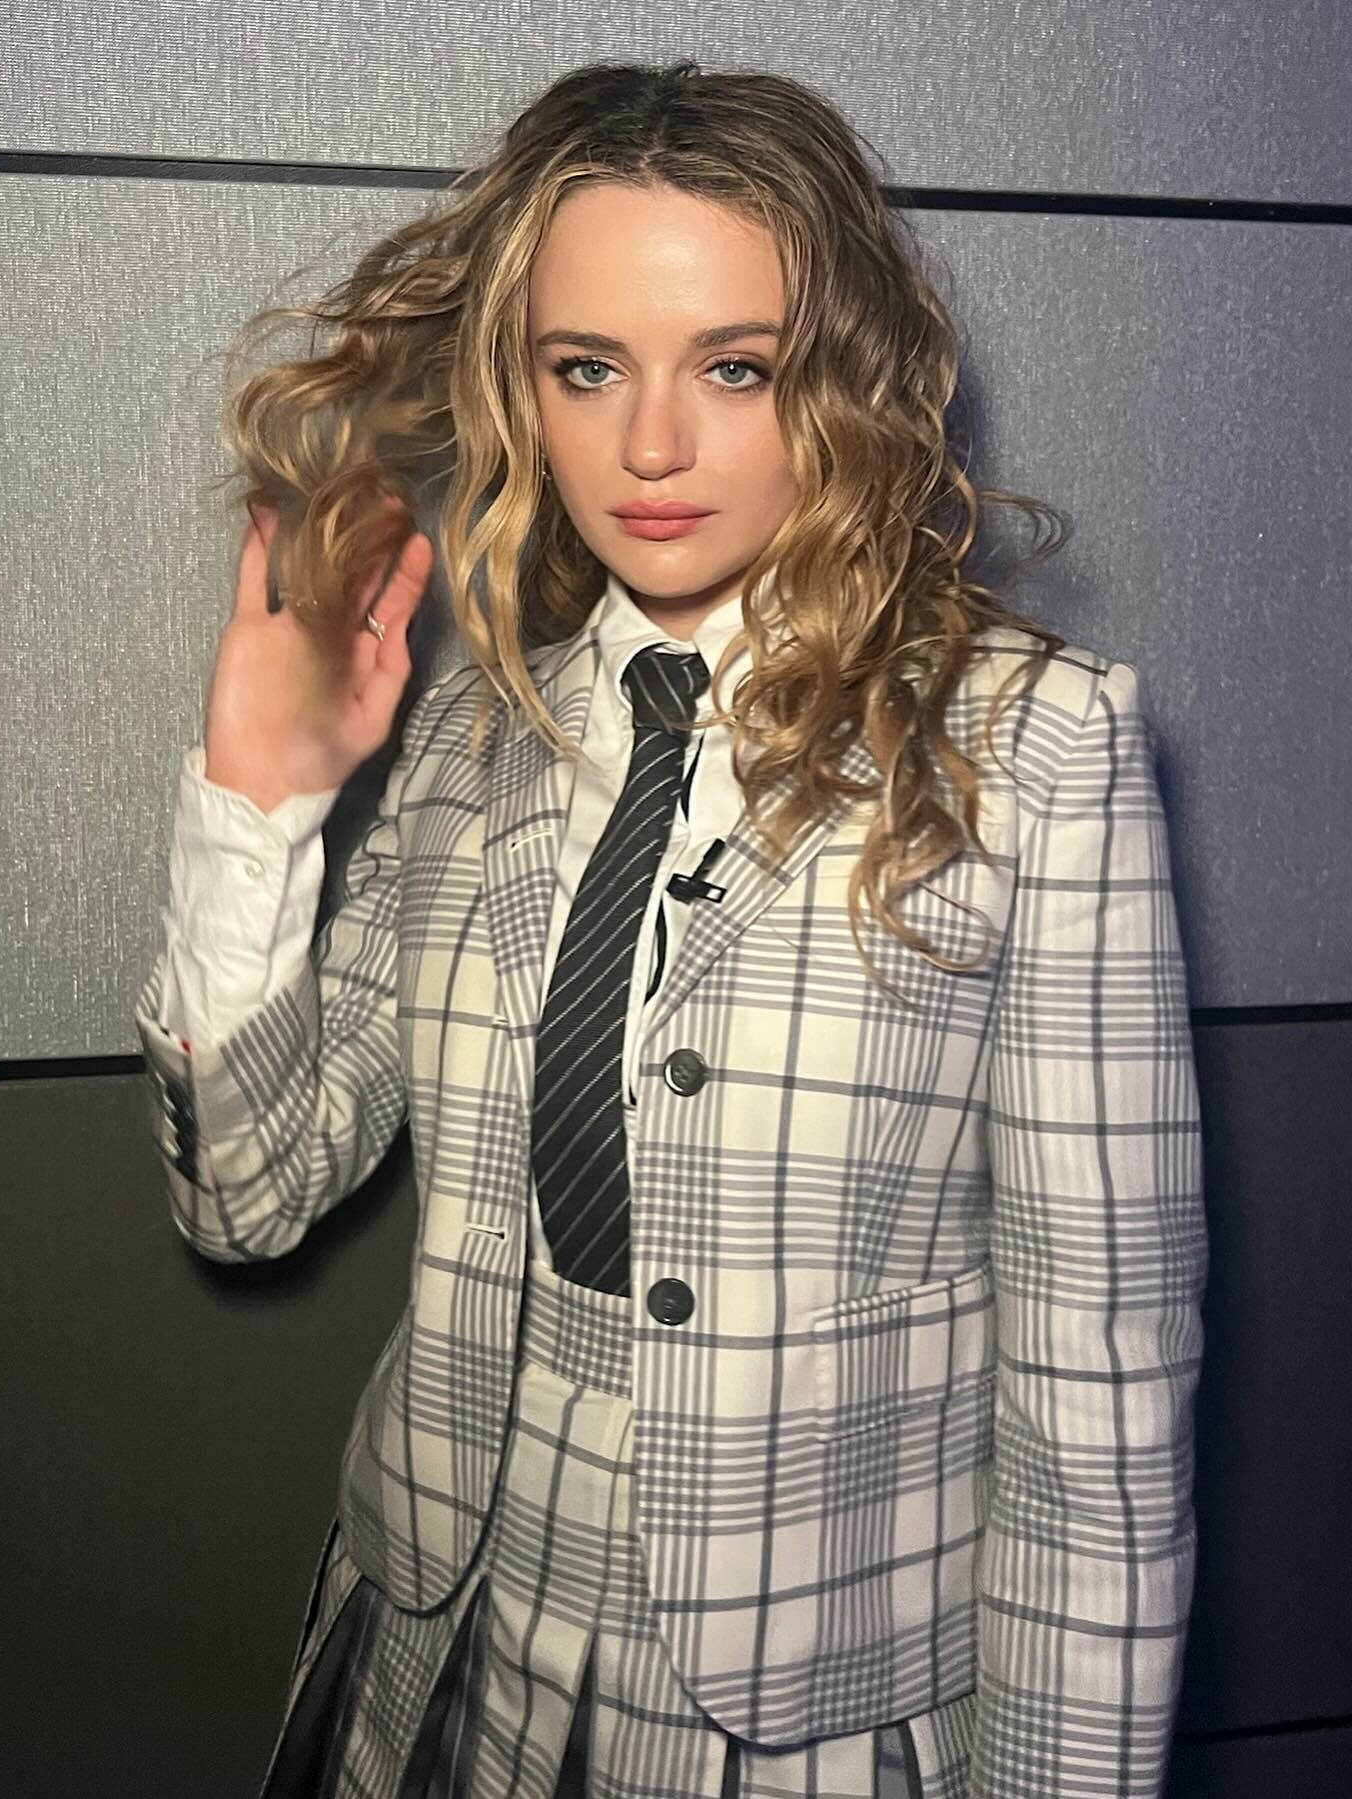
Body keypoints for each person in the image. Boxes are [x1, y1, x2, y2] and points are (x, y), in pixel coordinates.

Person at [135, 58, 1208, 1799]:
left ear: (844, 378)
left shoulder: (1036, 747)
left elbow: (1101, 1411)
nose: (649, 446)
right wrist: (259, 798)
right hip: (435, 1660)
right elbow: (242, 1195)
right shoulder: (477, 733)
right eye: (587, 368)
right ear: (521, 384)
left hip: (809, 1725)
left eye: (736, 367)